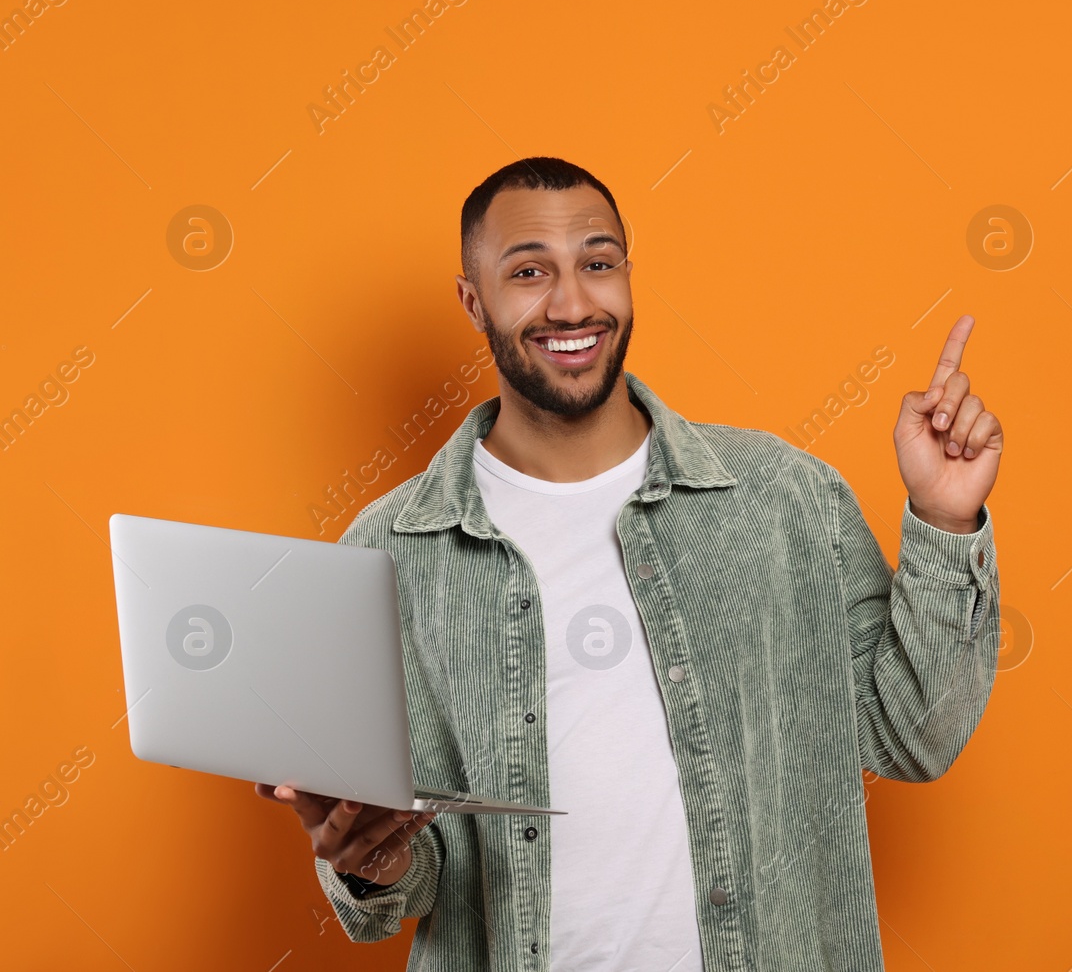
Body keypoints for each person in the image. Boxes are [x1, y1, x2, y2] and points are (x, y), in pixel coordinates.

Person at [255, 156, 1004, 971]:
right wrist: (374, 859)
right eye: (530, 271)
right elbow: (398, 888)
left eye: (598, 263)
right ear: (473, 301)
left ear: (628, 278)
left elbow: (915, 733)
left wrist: (942, 515)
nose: (573, 302)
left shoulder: (780, 495)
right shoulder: (388, 549)